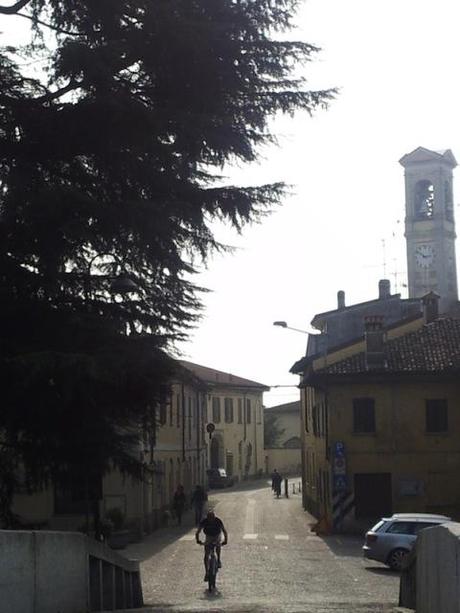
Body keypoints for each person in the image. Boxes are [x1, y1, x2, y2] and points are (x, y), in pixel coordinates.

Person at [195, 510, 228, 581]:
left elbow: (224, 531)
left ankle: (218, 559)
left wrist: (225, 541)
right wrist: (198, 540)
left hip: (217, 535)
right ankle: (206, 572)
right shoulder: (204, 521)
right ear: (207, 518)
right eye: (209, 518)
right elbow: (198, 532)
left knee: (218, 545)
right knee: (206, 554)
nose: (211, 520)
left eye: (212, 518)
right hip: (208, 536)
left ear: (214, 517)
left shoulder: (218, 521)